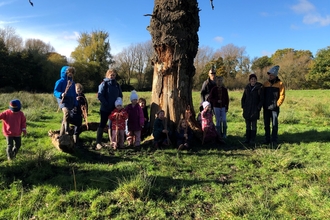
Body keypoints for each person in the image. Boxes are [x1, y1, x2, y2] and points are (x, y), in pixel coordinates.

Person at [96, 69, 123, 150]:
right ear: (107, 75)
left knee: (112, 125)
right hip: (105, 108)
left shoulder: (117, 85)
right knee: (102, 124)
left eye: (114, 75)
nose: (112, 76)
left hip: (114, 109)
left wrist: (118, 104)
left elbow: (120, 95)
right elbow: (100, 95)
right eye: (111, 75)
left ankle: (113, 142)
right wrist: (106, 104)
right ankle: (98, 142)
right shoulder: (104, 84)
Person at [262, 65, 285, 145]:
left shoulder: (280, 84)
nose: (269, 76)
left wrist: (278, 104)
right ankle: (267, 139)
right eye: (269, 75)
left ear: (275, 75)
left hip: (275, 108)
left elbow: (282, 95)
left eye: (271, 75)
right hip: (266, 107)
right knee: (266, 124)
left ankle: (274, 139)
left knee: (274, 124)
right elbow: (262, 94)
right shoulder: (265, 84)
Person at [53, 66, 77, 137]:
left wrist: (75, 103)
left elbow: (74, 94)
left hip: (70, 101)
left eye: (71, 73)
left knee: (66, 118)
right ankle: (67, 131)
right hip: (62, 100)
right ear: (65, 72)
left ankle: (61, 136)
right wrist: (61, 94)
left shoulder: (72, 83)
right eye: (69, 72)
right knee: (66, 113)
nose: (70, 74)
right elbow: (55, 91)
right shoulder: (60, 81)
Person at [241, 73, 263, 144]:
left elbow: (261, 99)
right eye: (251, 79)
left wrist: (258, 107)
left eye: (254, 79)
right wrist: (243, 106)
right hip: (247, 109)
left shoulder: (259, 88)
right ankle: (247, 139)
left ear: (256, 80)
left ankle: (252, 139)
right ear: (249, 80)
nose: (253, 80)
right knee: (247, 125)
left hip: (254, 109)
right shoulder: (247, 88)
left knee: (253, 125)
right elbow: (243, 98)